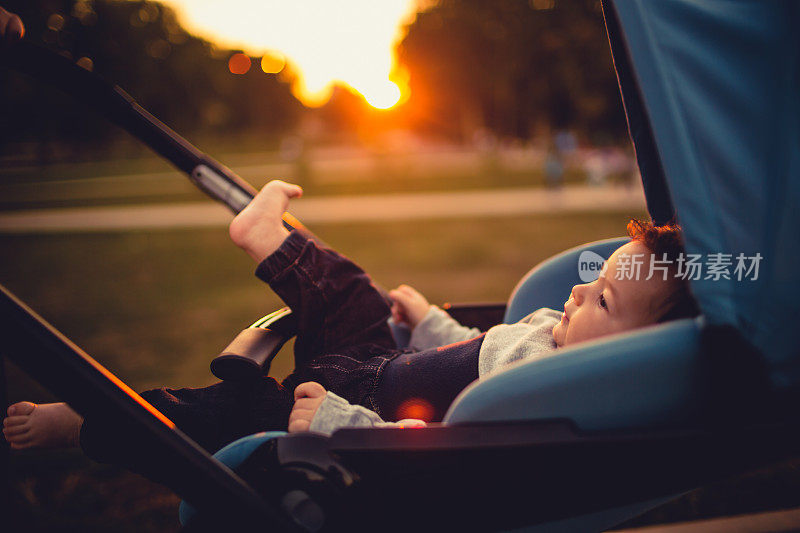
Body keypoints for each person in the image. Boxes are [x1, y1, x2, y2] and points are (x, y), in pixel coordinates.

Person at [3, 177, 700, 468]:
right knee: (351, 292)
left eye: (604, 303)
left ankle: (88, 418)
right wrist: (430, 322)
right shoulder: (553, 326)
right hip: (373, 359)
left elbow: (455, 445)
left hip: (355, 403)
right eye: (594, 283)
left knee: (223, 411)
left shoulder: (554, 391)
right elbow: (474, 350)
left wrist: (342, 423)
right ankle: (268, 237)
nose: (580, 297)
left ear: (633, 356)